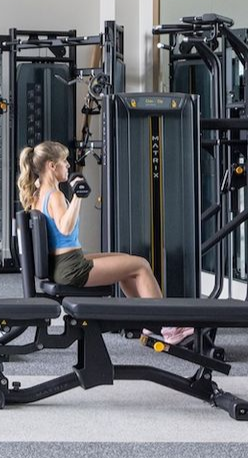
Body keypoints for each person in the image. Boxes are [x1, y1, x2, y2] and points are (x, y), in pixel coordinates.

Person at [17, 140, 193, 343]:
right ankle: (169, 327)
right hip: (71, 268)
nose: (67, 166)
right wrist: (78, 197)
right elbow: (64, 228)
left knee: (125, 261)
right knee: (141, 265)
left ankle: (150, 321)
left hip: (64, 263)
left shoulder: (38, 194)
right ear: (51, 165)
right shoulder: (55, 195)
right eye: (64, 161)